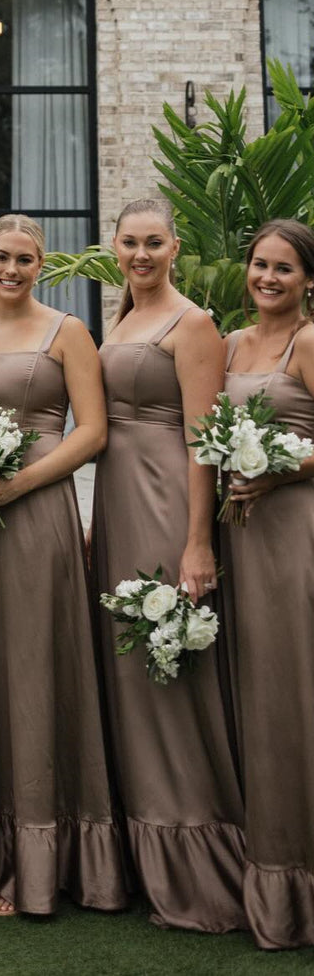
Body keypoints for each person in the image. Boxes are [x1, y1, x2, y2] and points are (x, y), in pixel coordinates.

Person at [0, 214, 126, 917]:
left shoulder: (68, 332)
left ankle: (43, 859)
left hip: (39, 511)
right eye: (1, 257)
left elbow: (93, 429)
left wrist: (23, 482)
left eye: (25, 259)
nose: (12, 269)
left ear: (42, 264)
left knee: (34, 671)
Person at [92, 198, 245, 932]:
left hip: (164, 503)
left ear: (175, 247)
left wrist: (197, 542)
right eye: (131, 243)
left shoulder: (193, 324)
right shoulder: (119, 319)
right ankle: (137, 848)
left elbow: (200, 440)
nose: (142, 255)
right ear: (114, 247)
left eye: (154, 243)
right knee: (128, 669)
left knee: (168, 667)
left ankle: (196, 859)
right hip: (117, 503)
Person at [222, 219, 314, 950]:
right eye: (261, 265)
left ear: (307, 280)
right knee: (256, 691)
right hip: (239, 534)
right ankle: (264, 864)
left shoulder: (307, 343)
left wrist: (281, 468)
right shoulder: (231, 344)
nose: (269, 278)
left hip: (292, 535)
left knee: (294, 688)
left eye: (285, 269)